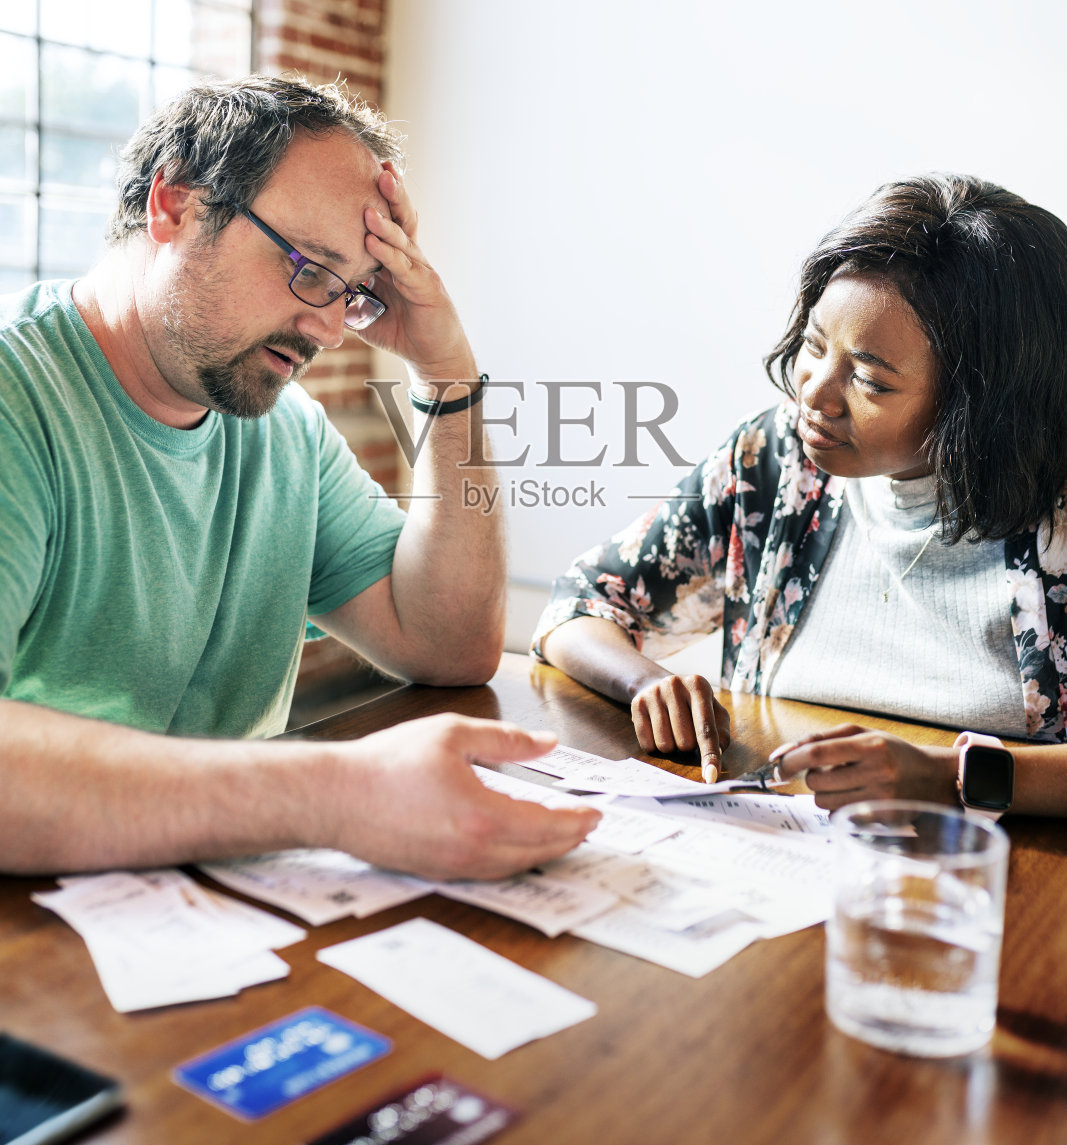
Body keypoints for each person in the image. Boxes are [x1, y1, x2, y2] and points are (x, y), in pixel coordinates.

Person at [0, 75, 599, 876]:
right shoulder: (19, 397)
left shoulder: (283, 431)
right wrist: (333, 794)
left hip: (210, 905)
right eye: (308, 267)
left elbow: (448, 644)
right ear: (173, 204)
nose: (329, 328)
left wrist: (445, 371)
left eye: (352, 293)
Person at [534, 175, 1067, 815]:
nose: (814, 392)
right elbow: (579, 604)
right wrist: (647, 682)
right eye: (815, 345)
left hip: (1004, 881)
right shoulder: (773, 464)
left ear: (981, 404)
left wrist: (949, 777)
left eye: (869, 379)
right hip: (784, 851)